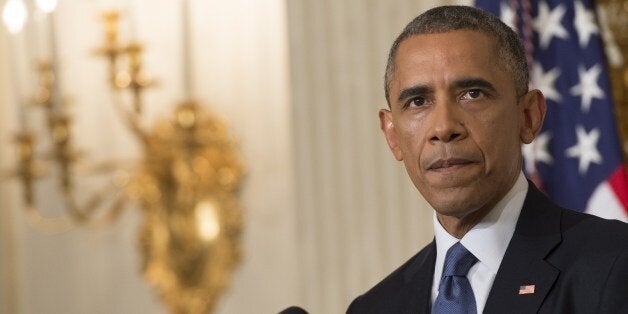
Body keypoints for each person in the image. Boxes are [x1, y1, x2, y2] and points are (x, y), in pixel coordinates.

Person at [347, 5, 628, 314]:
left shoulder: (615, 266)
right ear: (392, 134)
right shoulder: (374, 307)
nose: (443, 128)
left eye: (472, 94)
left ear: (528, 116)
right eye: (418, 101)